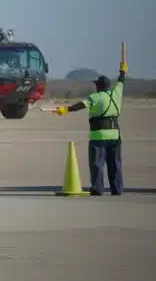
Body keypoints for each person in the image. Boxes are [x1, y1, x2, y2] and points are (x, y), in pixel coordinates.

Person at [54, 53, 127, 196]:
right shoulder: (116, 93)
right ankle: (117, 189)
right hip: (115, 135)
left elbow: (81, 105)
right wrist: (122, 71)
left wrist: (66, 109)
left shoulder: (95, 97)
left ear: (98, 86)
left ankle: (98, 188)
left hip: (98, 135)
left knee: (97, 164)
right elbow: (121, 82)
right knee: (115, 164)